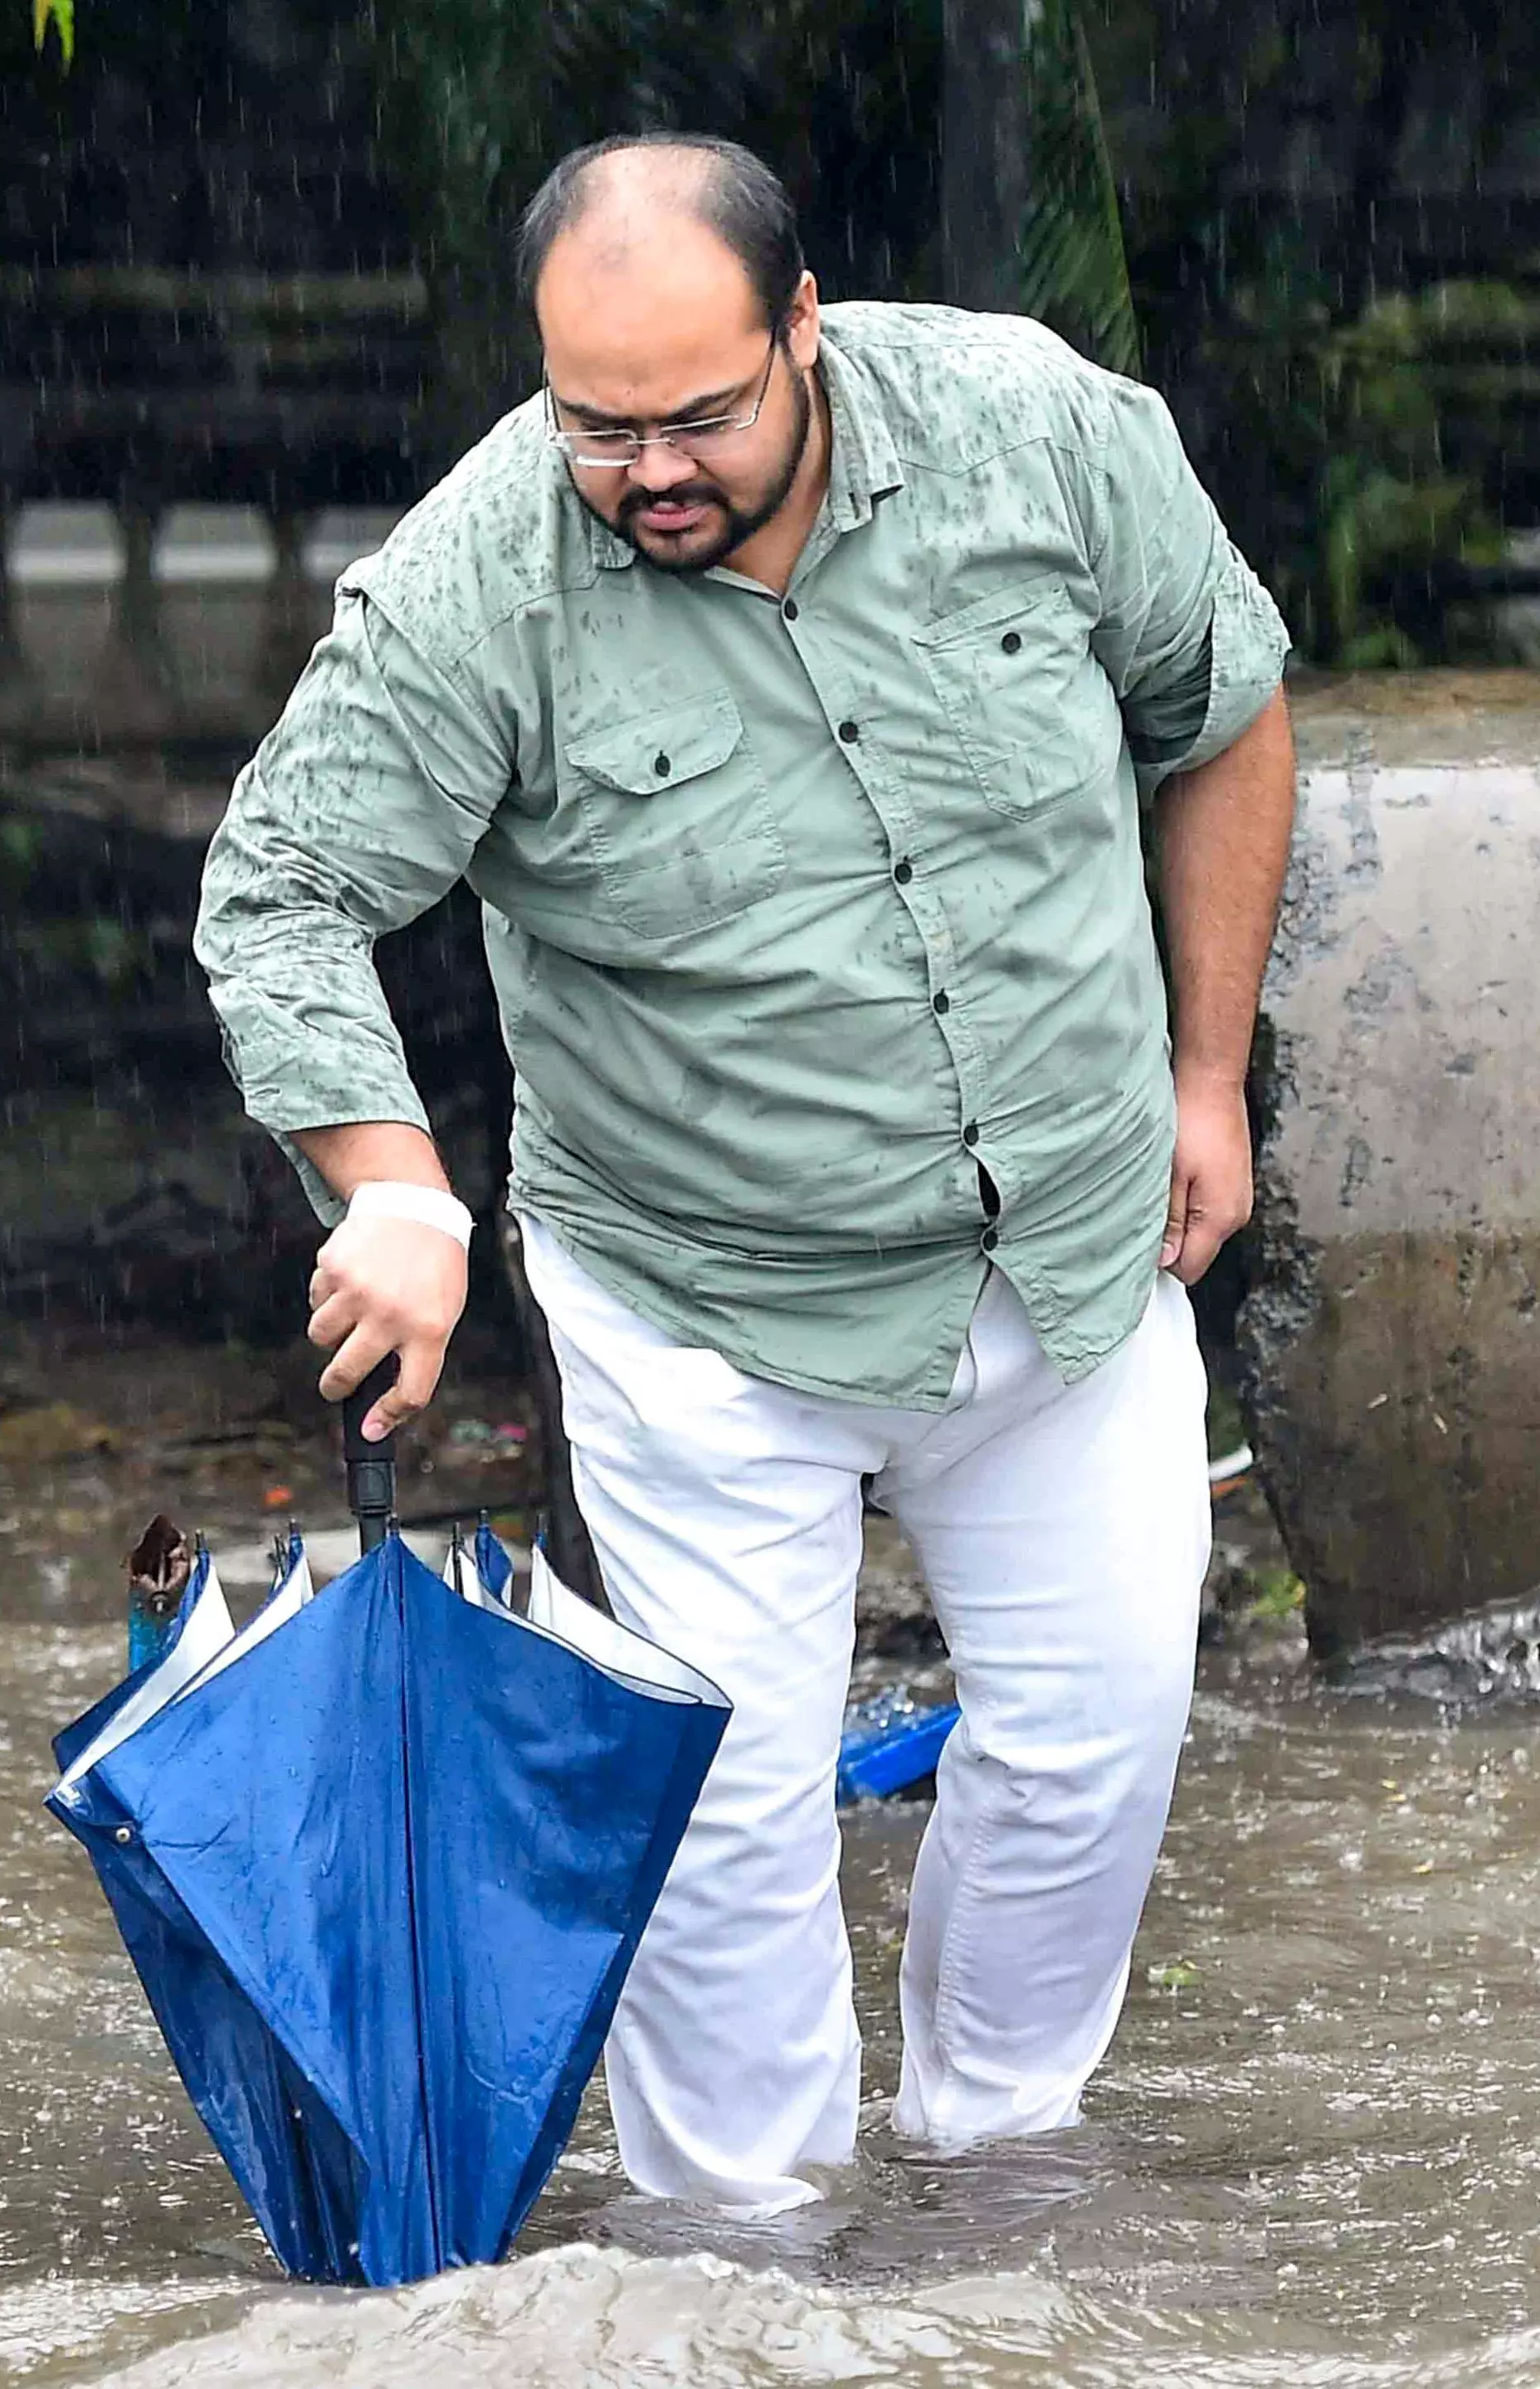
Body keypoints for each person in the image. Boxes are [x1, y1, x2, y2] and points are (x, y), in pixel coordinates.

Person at [197, 133, 1294, 2212]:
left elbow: (1224, 712)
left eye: (698, 413)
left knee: (1094, 1748)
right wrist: (398, 1187)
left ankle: (999, 2169)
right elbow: (279, 891)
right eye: (596, 424)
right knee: (727, 1829)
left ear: (805, 329)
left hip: (1066, 1235)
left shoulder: (1034, 431)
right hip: (704, 1296)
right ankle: (745, 2258)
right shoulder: (481, 581)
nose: (648, 469)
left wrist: (1209, 1070)